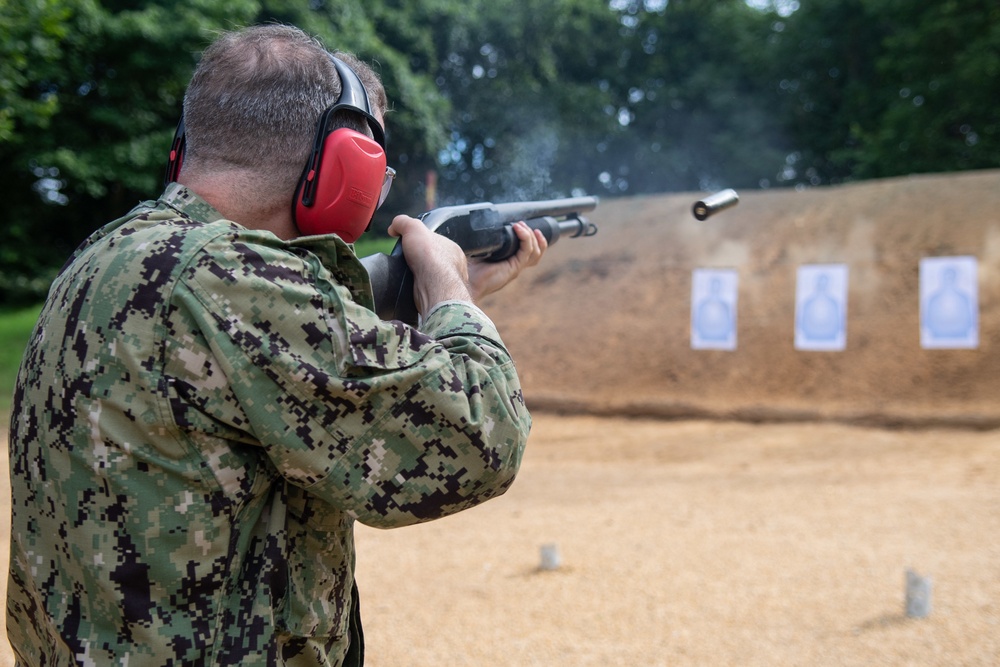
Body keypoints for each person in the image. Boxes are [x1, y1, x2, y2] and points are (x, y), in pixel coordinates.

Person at [7, 24, 548, 666]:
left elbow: (249, 357)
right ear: (345, 162)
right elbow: (480, 437)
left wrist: (423, 296)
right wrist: (450, 290)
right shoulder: (233, 281)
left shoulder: (108, 256)